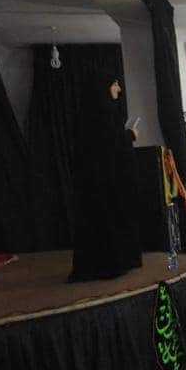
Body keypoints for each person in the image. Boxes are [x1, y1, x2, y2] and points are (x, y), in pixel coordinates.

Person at [68, 74, 143, 283]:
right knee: (108, 220)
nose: (118, 89)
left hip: (96, 181)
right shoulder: (103, 113)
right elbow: (109, 144)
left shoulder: (88, 114)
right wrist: (130, 135)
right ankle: (111, 264)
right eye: (115, 84)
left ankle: (107, 263)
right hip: (104, 183)